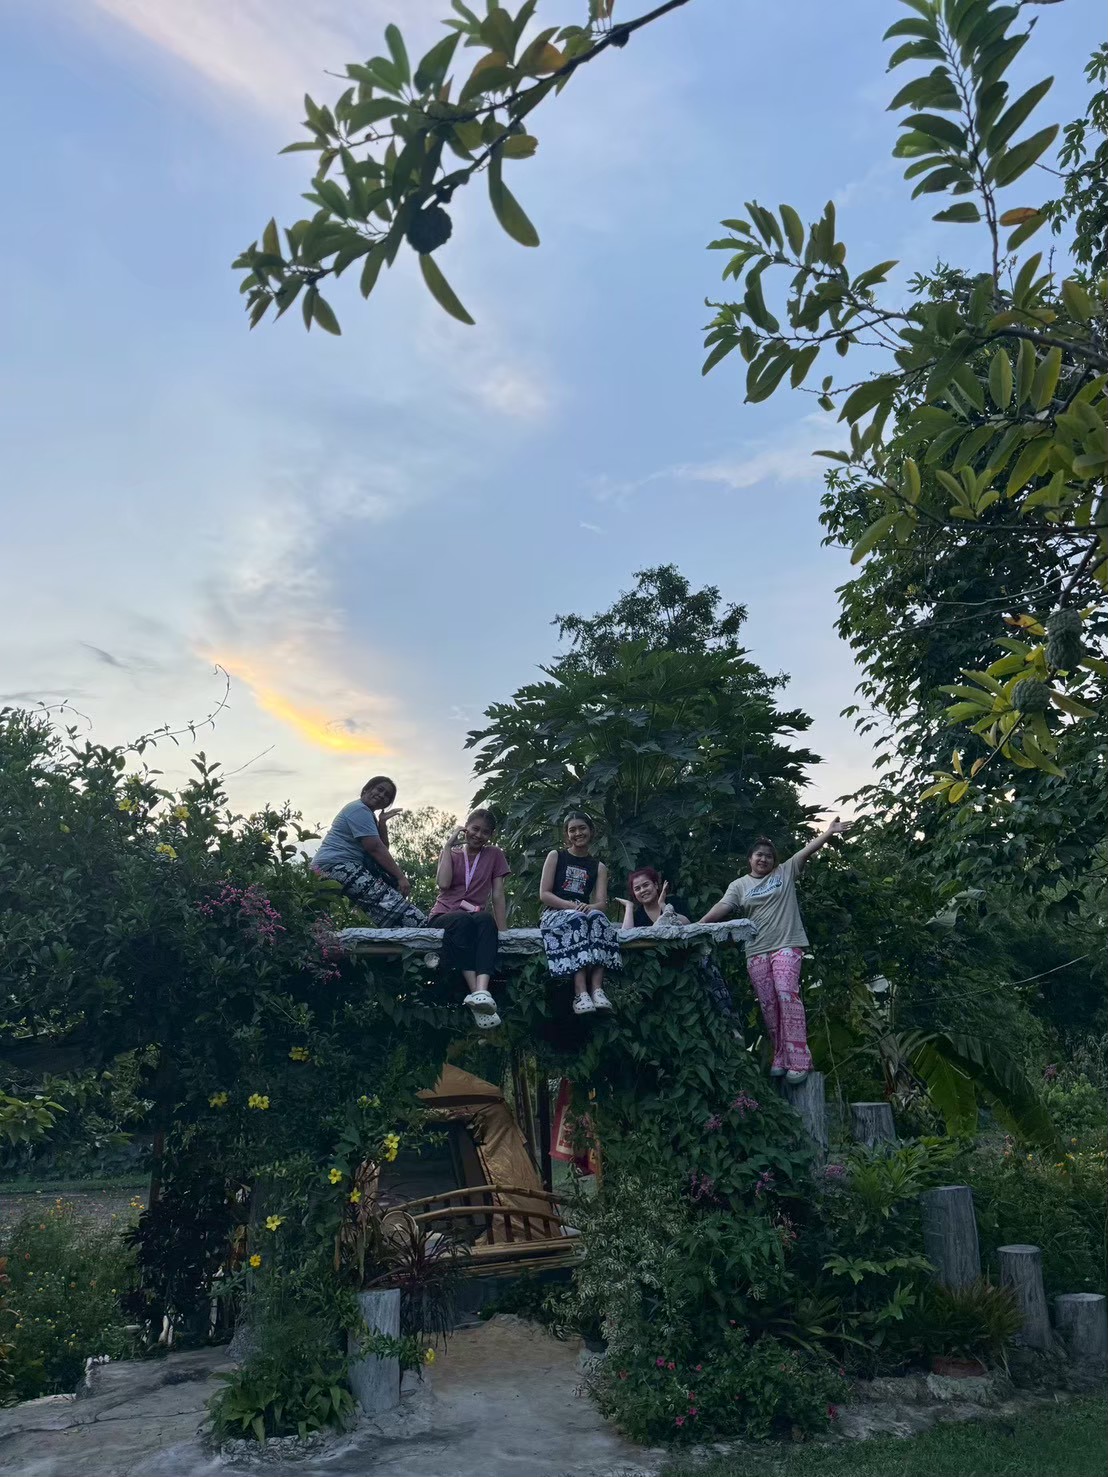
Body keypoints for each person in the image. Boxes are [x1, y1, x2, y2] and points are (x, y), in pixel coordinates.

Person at [700, 819, 851, 1083]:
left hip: (786, 945)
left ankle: (800, 1058)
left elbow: (808, 850)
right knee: (769, 1004)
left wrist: (829, 832)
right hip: (756, 950)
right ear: (750, 858)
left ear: (774, 860)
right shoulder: (739, 885)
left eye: (768, 856)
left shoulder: (785, 871)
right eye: (759, 855)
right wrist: (698, 925)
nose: (764, 859)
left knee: (786, 993)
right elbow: (723, 906)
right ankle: (781, 1055)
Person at [616, 867, 737, 1019]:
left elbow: (687, 924)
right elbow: (626, 936)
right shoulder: (638, 915)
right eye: (637, 888)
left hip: (689, 966)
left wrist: (663, 905)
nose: (643, 890)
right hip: (659, 974)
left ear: (656, 885)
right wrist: (629, 907)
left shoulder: (674, 902)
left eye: (646, 885)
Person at [428, 809, 510, 1030]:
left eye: (485, 832)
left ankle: (482, 991)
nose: (478, 835)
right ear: (466, 828)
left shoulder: (494, 854)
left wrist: (503, 931)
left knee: (486, 920)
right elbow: (443, 884)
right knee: (463, 921)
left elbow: (498, 894)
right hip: (444, 915)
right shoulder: (453, 853)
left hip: (474, 915)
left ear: (491, 835)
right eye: (475, 829)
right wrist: (447, 846)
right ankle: (477, 994)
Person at [311, 776, 427, 928]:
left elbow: (382, 847)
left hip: (334, 867)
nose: (382, 795)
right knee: (396, 907)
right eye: (380, 789)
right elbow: (375, 849)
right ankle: (421, 927)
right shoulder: (359, 809)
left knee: (384, 909)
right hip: (336, 866)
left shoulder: (367, 814)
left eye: (387, 795)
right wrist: (401, 877)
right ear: (367, 789)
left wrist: (382, 823)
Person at [538, 812, 622, 1015]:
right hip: (555, 912)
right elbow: (544, 894)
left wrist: (589, 907)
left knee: (599, 918)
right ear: (567, 834)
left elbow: (601, 903)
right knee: (577, 919)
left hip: (582, 911)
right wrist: (571, 906)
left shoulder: (598, 867)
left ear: (591, 831)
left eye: (582, 828)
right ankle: (580, 992)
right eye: (572, 830)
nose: (578, 833)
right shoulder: (556, 856)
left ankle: (597, 989)